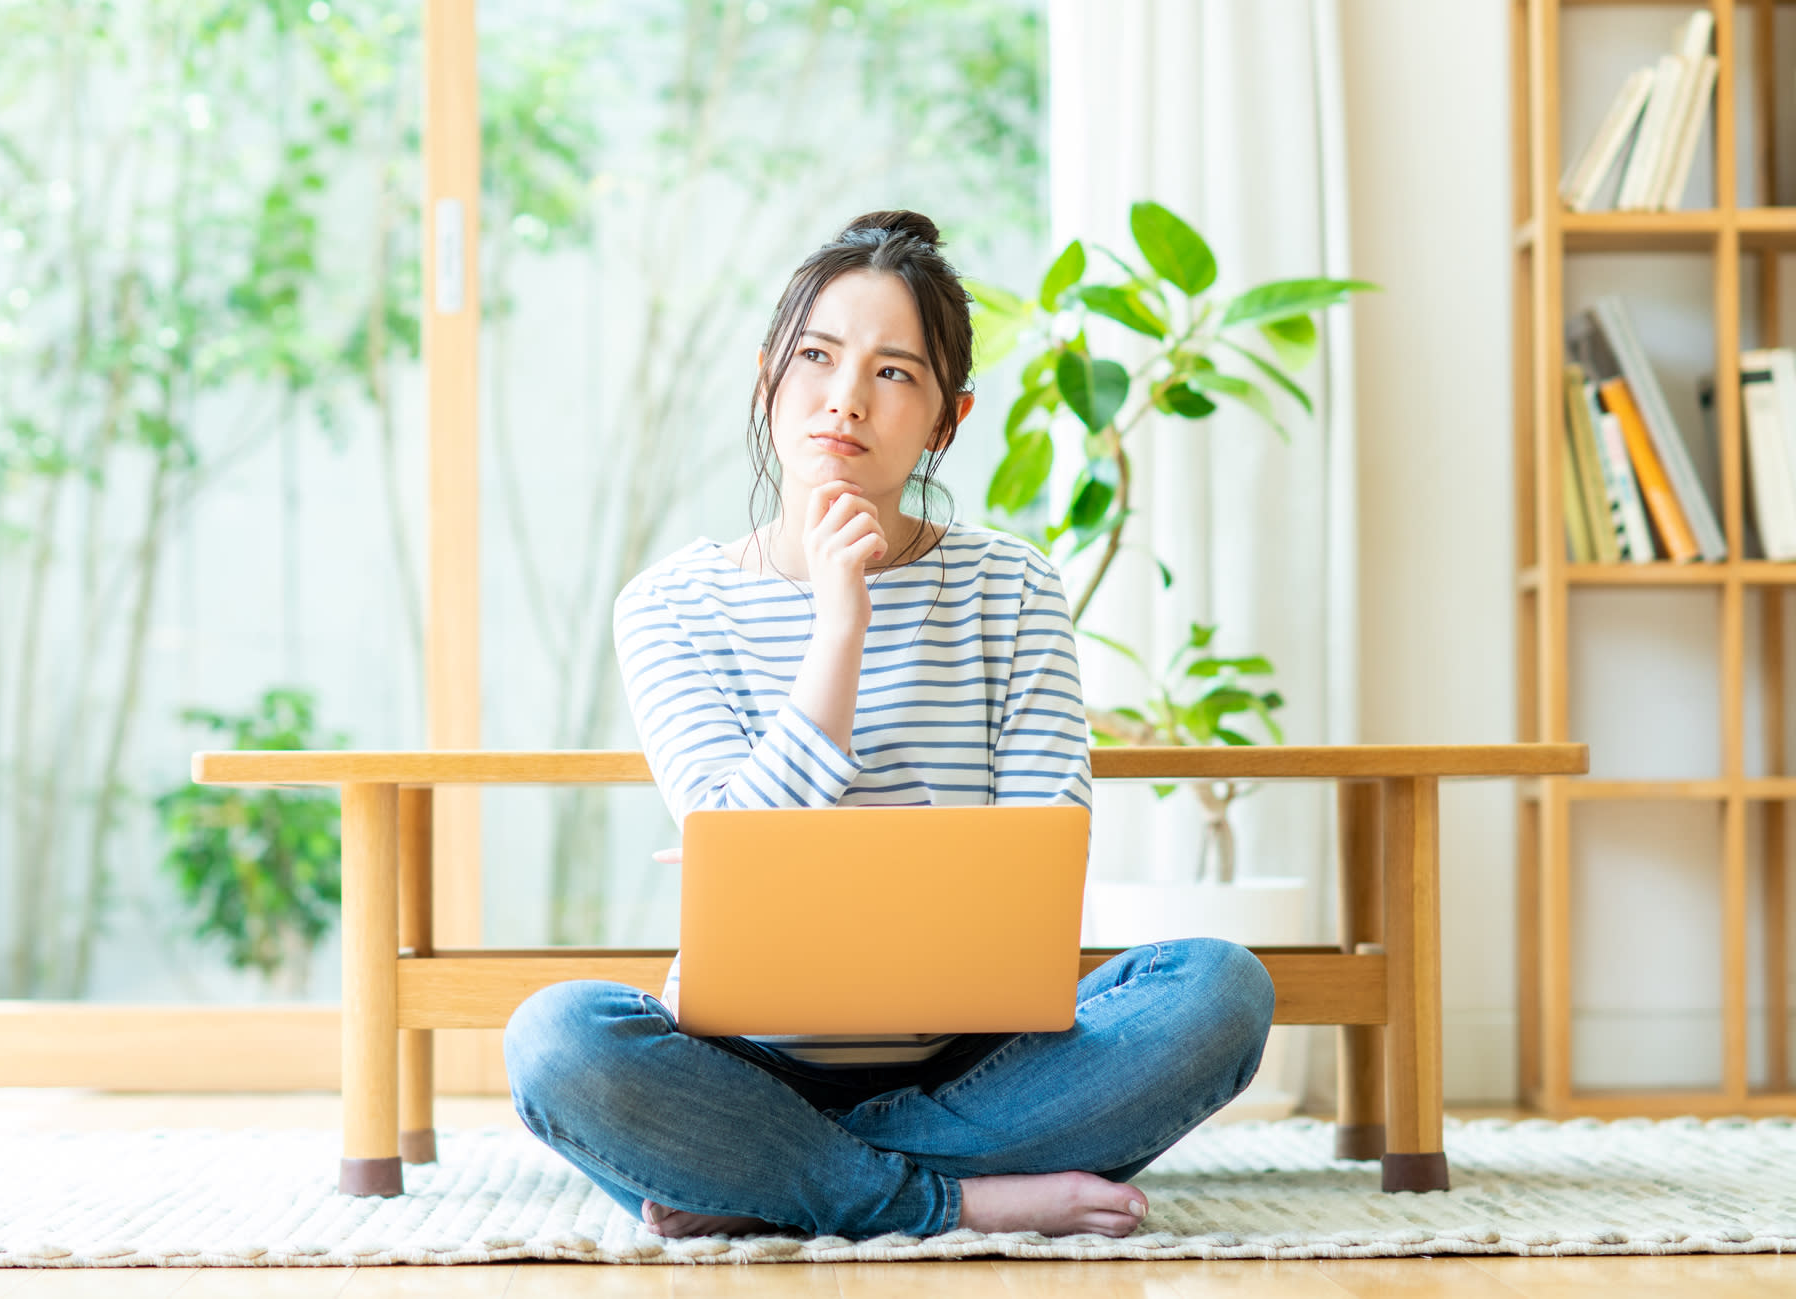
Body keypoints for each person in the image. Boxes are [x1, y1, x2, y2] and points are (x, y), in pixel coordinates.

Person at [503, 210, 1275, 1242]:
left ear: (945, 422)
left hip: (975, 1063)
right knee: (557, 1043)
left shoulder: (1010, 584)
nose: (843, 399)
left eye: (893, 373)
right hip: (746, 1060)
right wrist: (840, 623)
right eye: (815, 356)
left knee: (1218, 991)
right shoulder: (670, 604)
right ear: (766, 376)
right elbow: (743, 842)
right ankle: (953, 1199)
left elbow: (1039, 854)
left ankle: (764, 1182)